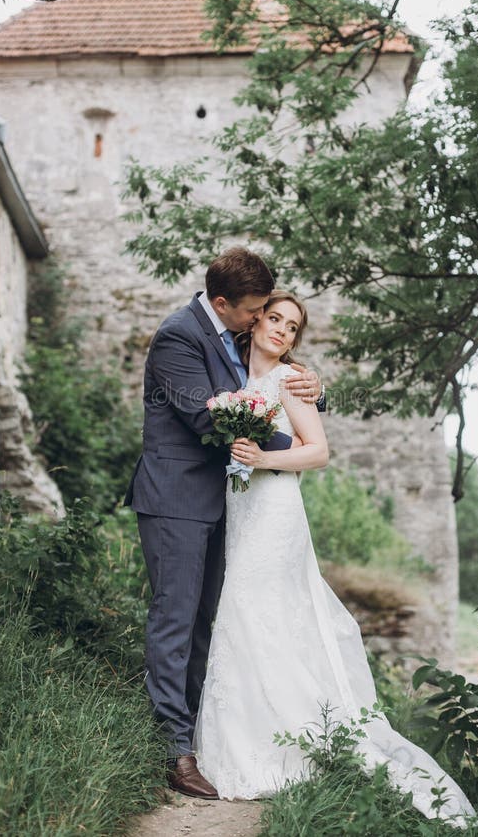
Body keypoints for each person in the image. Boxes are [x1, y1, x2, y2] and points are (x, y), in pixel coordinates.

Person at [193, 290, 477, 829]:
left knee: (267, 609)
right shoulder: (234, 376)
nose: (280, 331)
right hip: (242, 509)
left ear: (297, 339)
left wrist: (263, 457)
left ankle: (294, 744)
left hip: (275, 511)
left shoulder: (288, 381)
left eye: (292, 327)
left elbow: (318, 451)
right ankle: (242, 745)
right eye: (274, 319)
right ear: (255, 322)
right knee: (243, 616)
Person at [124, 248, 322, 799]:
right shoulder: (178, 337)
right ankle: (173, 751)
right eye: (256, 310)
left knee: (206, 621)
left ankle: (198, 733)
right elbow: (212, 416)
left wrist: (310, 390)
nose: (260, 320)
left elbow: (268, 373)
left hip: (221, 502)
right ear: (222, 303)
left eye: (266, 311)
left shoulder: (231, 332)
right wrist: (294, 440)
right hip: (175, 498)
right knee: (176, 618)